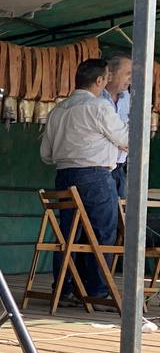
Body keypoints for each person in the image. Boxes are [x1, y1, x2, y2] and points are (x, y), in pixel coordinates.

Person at [40, 58, 129, 307]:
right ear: (100, 81)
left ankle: (64, 288)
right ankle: (97, 292)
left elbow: (46, 155)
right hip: (96, 177)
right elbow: (126, 139)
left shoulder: (58, 109)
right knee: (102, 234)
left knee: (68, 235)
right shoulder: (99, 108)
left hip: (64, 176)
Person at [102, 54, 133, 200]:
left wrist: (122, 142)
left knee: (121, 218)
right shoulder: (96, 97)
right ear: (110, 75)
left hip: (120, 168)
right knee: (101, 219)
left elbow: (132, 131)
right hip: (100, 169)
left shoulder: (128, 97)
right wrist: (121, 142)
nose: (131, 79)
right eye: (128, 74)